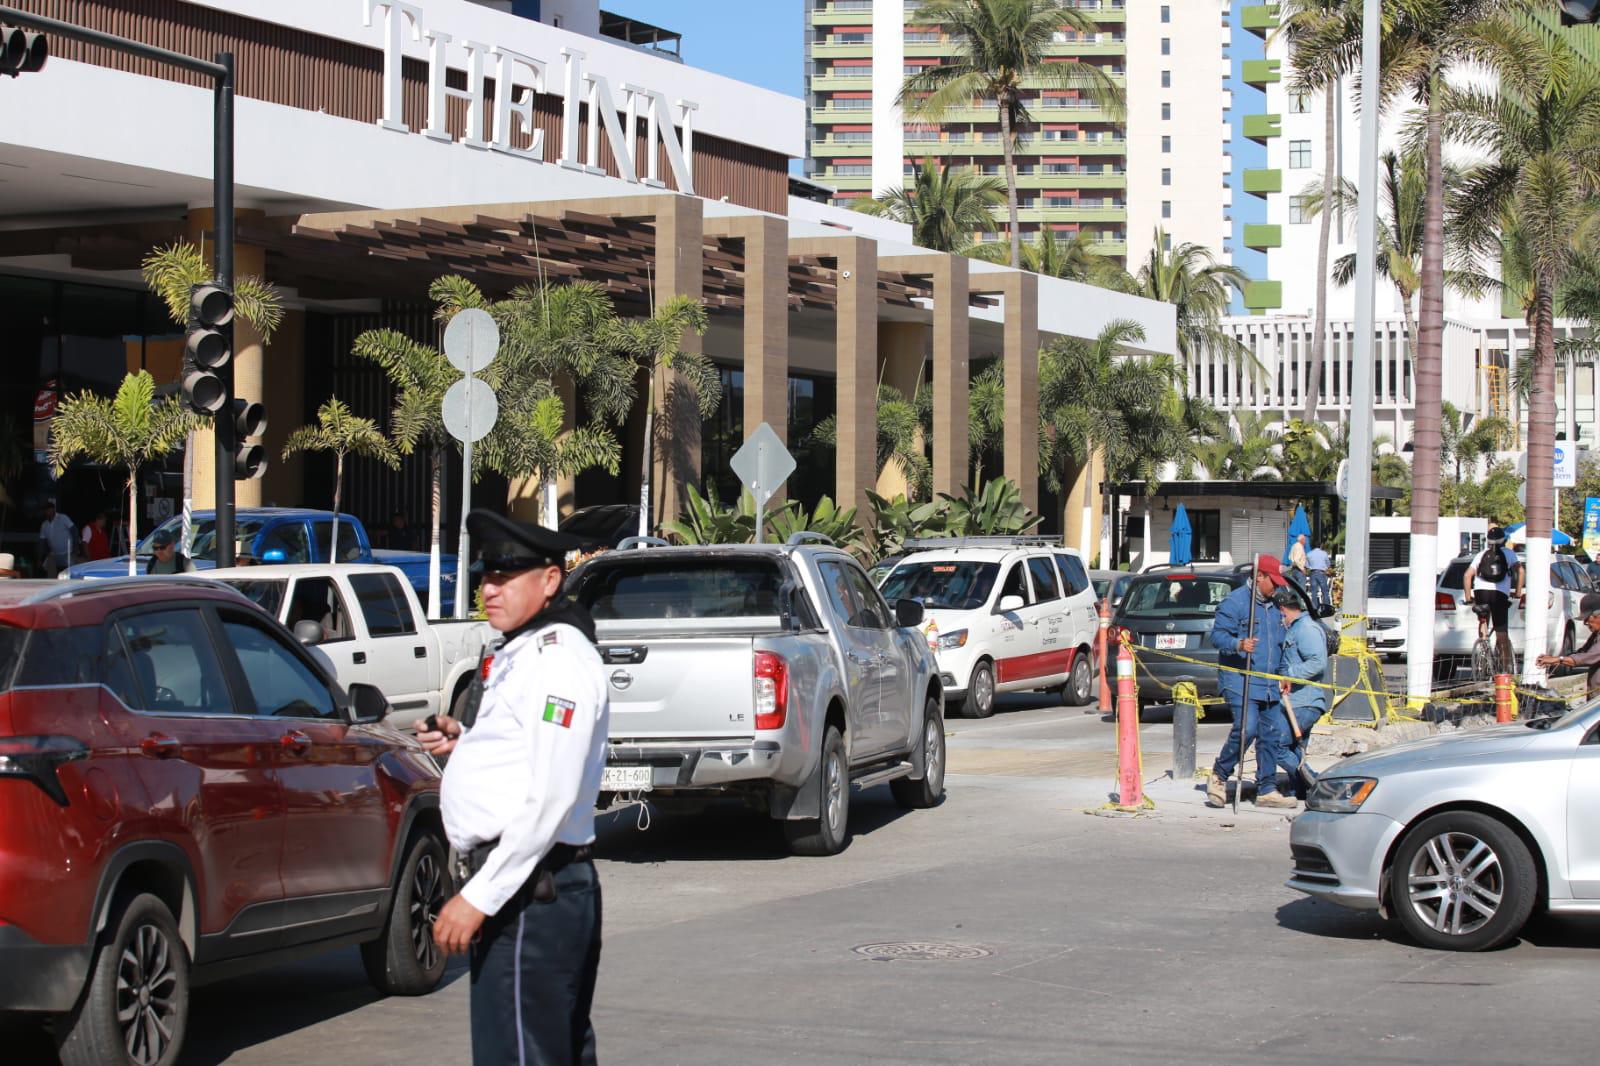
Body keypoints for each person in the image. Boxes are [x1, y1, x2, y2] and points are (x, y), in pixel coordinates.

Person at [414, 510, 606, 1066]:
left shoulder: (557, 661)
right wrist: (466, 742)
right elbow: (526, 752)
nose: (488, 589)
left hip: (530, 892)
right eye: (485, 576)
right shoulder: (527, 649)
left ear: (549, 580)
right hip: (529, 887)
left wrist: (478, 897)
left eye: (505, 576)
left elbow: (551, 796)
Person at [1206, 555, 1293, 809]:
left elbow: (1281, 644)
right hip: (1239, 678)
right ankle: (1219, 775)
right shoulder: (1235, 603)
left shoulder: (1277, 607)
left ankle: (1266, 787)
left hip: (1268, 681)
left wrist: (1284, 673)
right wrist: (1238, 644)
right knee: (1248, 728)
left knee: (1271, 734)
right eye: (1272, 582)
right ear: (1259, 577)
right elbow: (1217, 636)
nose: (1276, 588)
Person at [1273, 585, 1328, 802]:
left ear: (1284, 610)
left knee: (1277, 744)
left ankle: (1312, 782)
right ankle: (1303, 790)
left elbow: (1318, 662)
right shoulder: (1295, 628)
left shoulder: (1306, 629)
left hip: (1305, 702)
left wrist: (1290, 675)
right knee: (1295, 749)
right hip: (1293, 701)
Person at [1463, 526, 1522, 673]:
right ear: (1504, 540)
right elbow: (1520, 571)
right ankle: (1505, 668)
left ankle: (1483, 647)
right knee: (1501, 631)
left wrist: (1468, 596)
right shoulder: (1509, 553)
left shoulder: (1481, 554)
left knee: (1483, 619)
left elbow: (1467, 575)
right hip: (1499, 594)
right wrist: (1518, 592)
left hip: (1480, 592)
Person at [1538, 602, 1600, 695]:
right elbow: (1581, 653)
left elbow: (1587, 657)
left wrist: (1559, 659)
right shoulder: (1596, 635)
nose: (1585, 623)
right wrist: (1553, 659)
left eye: (1587, 618)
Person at [37, 500, 75, 577]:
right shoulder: (44, 525)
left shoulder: (63, 518)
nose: (48, 511)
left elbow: (74, 530)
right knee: (55, 576)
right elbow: (42, 543)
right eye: (46, 509)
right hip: (55, 555)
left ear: (54, 509)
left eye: (50, 509)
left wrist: (76, 547)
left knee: (71, 575)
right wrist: (40, 558)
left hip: (68, 553)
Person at [1306, 541, 1332, 614]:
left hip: (1313, 573)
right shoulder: (1324, 553)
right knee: (1325, 591)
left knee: (1313, 592)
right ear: (1320, 545)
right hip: (1321, 573)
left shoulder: (1309, 554)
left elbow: (1307, 566)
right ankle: (1326, 609)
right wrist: (1325, 567)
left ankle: (1315, 609)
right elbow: (1328, 564)